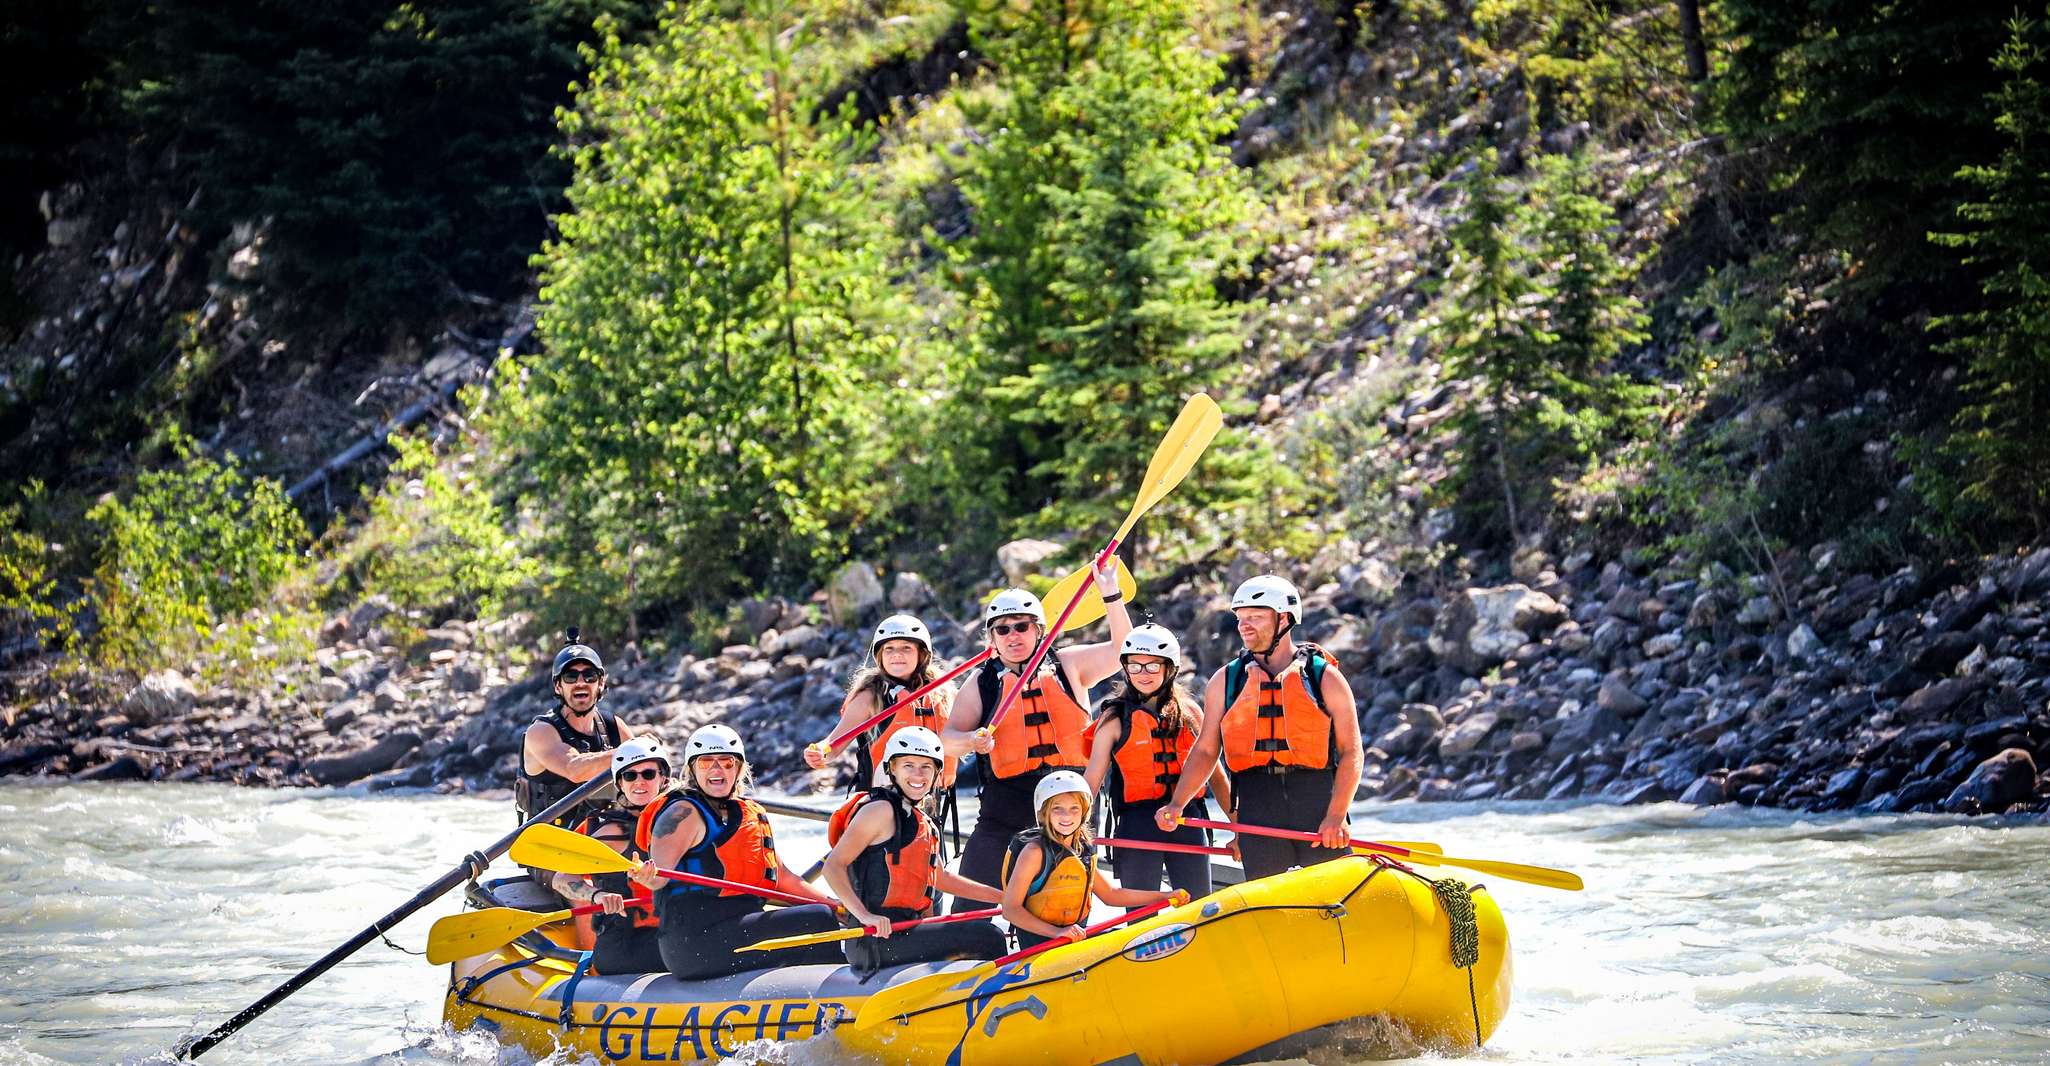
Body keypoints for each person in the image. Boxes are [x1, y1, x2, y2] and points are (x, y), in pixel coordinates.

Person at [942, 561, 1131, 910]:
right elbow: (947, 739)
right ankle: (968, 948)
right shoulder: (981, 683)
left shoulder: (1068, 666)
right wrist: (971, 742)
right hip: (1006, 807)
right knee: (970, 906)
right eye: (1003, 629)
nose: (1013, 635)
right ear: (992, 638)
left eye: (1022, 627)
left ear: (1039, 631)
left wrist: (1110, 594)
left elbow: (1124, 650)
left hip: (1066, 805)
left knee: (1061, 906)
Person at [1156, 575, 1364, 881]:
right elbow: (1206, 749)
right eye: (1240, 618)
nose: (1244, 626)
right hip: (1257, 807)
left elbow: (1351, 752)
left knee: (1335, 903)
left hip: (1316, 802)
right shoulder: (1226, 681)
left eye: (1255, 617)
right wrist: (1177, 802)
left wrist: (1336, 816)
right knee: (1272, 911)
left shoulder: (1325, 678)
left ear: (1284, 619)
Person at [638, 724, 844, 980]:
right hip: (694, 941)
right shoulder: (682, 813)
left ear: (738, 768)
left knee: (824, 915)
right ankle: (839, 997)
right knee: (816, 921)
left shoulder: (748, 813)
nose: (717, 769)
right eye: (706, 763)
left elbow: (782, 879)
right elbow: (660, 873)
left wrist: (836, 905)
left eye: (726, 761)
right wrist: (649, 876)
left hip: (735, 924)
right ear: (692, 769)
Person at [820, 727, 1006, 974]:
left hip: (908, 929)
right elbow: (833, 866)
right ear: (892, 769)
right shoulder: (880, 811)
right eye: (909, 765)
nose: (918, 774)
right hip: (875, 938)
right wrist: (865, 916)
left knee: (981, 931)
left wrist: (1005, 898)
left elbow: (940, 878)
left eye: (926, 767)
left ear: (937, 773)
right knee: (986, 936)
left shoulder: (924, 821)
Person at [1082, 624, 1231, 903]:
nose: (1143, 673)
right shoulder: (1114, 719)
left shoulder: (1190, 714)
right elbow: (1091, 782)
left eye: (1152, 666)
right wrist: (1073, 828)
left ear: (1170, 669)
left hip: (1187, 821)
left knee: (1198, 907)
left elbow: (1217, 777)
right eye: (1135, 666)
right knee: (1141, 917)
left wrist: (1237, 828)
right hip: (1137, 826)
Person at [1001, 771, 1183, 951]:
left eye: (1075, 809)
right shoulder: (1034, 852)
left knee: (1135, 944)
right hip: (1041, 949)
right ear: (1044, 812)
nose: (1067, 816)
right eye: (1058, 809)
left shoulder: (1083, 849)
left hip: (1073, 943)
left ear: (1085, 812)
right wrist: (1057, 932)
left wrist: (1164, 896)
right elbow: (1010, 910)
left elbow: (1112, 895)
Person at [549, 737, 669, 975]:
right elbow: (561, 879)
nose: (640, 782)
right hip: (624, 946)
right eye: (630, 776)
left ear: (663, 778)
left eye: (648, 774)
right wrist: (597, 895)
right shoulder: (605, 831)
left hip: (672, 932)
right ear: (620, 783)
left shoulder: (683, 821)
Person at [804, 614, 959, 792]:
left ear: (922, 654)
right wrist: (820, 752)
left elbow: (964, 734)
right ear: (880, 655)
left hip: (931, 800)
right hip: (881, 798)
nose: (897, 655)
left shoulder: (943, 694)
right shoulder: (870, 696)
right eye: (889, 649)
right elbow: (835, 743)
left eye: (906, 648)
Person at [518, 631, 638, 830]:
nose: (580, 683)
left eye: (589, 676)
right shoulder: (541, 732)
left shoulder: (614, 727)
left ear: (600, 683)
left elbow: (643, 770)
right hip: (551, 845)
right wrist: (630, 752)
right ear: (558, 686)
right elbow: (573, 769)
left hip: (605, 839)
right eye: (571, 676)